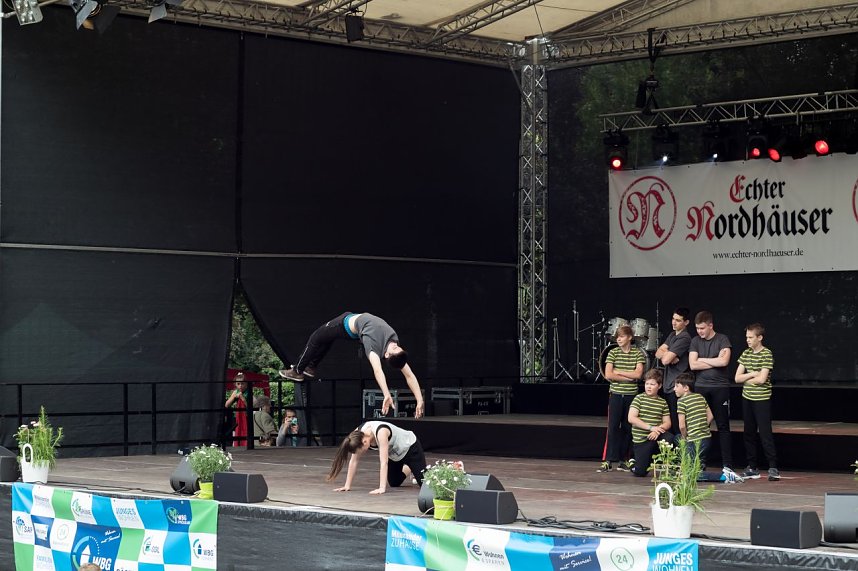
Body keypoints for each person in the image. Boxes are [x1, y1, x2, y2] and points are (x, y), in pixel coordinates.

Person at [280, 312, 424, 418]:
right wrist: (419, 399)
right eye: (398, 347)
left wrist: (386, 394)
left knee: (315, 337)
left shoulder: (373, 347)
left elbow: (378, 370)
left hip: (344, 324)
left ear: (386, 355)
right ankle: (310, 368)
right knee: (325, 340)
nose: (395, 345)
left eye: (394, 348)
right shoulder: (395, 345)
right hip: (355, 326)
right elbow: (409, 375)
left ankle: (297, 370)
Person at [688, 311, 738, 480]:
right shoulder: (695, 341)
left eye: (702, 328)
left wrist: (704, 360)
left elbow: (724, 362)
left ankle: (727, 465)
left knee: (723, 426)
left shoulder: (722, 339)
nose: (699, 331)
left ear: (710, 325)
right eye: (697, 328)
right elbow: (693, 365)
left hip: (720, 387)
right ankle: (699, 463)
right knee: (700, 425)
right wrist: (713, 360)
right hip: (701, 387)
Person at [675, 372, 743, 484]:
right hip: (706, 439)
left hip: (694, 440)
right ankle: (699, 465)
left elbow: (682, 425)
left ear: (686, 388)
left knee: (689, 475)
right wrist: (702, 427)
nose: (674, 389)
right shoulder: (700, 397)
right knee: (677, 439)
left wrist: (685, 437)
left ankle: (724, 477)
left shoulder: (681, 401)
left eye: (677, 386)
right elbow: (711, 416)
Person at [327, 420, 426, 494]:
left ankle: (418, 467)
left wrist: (382, 488)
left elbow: (384, 462)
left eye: (362, 450)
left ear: (365, 442)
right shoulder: (356, 436)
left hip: (410, 447)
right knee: (394, 482)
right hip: (394, 455)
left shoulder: (381, 432)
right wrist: (347, 485)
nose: (363, 452)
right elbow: (353, 461)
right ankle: (409, 468)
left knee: (425, 484)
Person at [735, 323, 779, 481]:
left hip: (762, 399)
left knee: (765, 433)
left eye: (750, 337)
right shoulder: (746, 353)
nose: (747, 340)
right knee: (749, 432)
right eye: (746, 337)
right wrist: (752, 373)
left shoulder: (766, 353)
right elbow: (737, 378)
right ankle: (752, 466)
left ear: (759, 337)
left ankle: (773, 466)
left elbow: (762, 380)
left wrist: (748, 377)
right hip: (747, 398)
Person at [599, 324, 646, 473]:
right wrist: (628, 375)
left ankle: (624, 460)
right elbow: (608, 375)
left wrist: (619, 373)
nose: (618, 339)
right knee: (612, 427)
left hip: (631, 395)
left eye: (621, 336)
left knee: (628, 427)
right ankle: (607, 460)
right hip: (616, 394)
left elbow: (638, 375)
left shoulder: (638, 353)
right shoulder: (613, 353)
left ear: (630, 337)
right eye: (617, 337)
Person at [655, 307, 692, 435]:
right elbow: (658, 352)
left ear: (686, 322)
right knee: (669, 423)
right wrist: (669, 355)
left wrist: (668, 355)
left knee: (678, 424)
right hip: (668, 385)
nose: (674, 322)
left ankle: (681, 453)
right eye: (673, 319)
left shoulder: (685, 338)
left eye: (678, 320)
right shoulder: (672, 335)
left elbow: (664, 360)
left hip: (677, 386)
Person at [628, 369, 671, 477]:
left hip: (655, 436)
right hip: (642, 439)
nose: (649, 386)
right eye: (647, 383)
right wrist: (651, 428)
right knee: (640, 472)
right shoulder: (639, 398)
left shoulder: (662, 402)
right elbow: (631, 418)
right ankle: (633, 462)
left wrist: (657, 431)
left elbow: (667, 423)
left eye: (652, 384)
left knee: (670, 438)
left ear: (659, 386)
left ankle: (663, 464)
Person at [225, 372, 250, 447]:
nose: (240, 386)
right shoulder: (235, 392)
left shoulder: (249, 392)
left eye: (242, 384)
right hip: (237, 418)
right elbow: (226, 405)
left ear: (246, 384)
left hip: (246, 417)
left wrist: (242, 398)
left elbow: (249, 406)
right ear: (235, 384)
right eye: (238, 384)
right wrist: (233, 397)